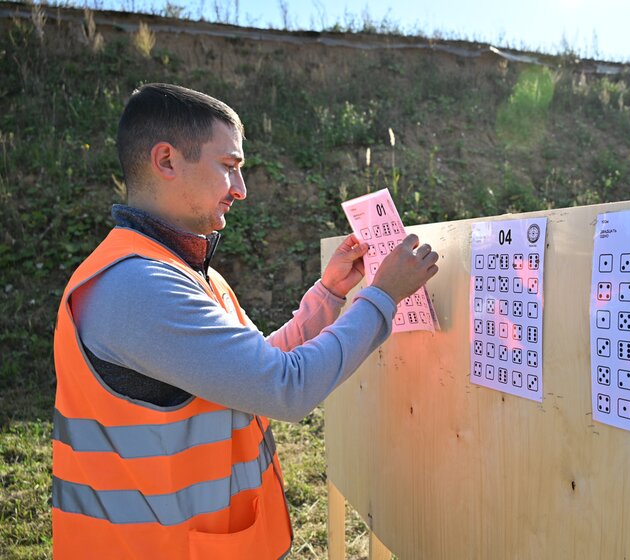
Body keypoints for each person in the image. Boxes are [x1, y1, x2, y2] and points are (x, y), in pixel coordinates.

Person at [51, 83, 439, 559]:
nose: (241, 190)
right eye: (229, 167)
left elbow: (255, 365)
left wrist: (330, 294)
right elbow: (283, 387)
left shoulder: (180, 270)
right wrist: (381, 296)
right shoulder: (139, 285)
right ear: (167, 160)